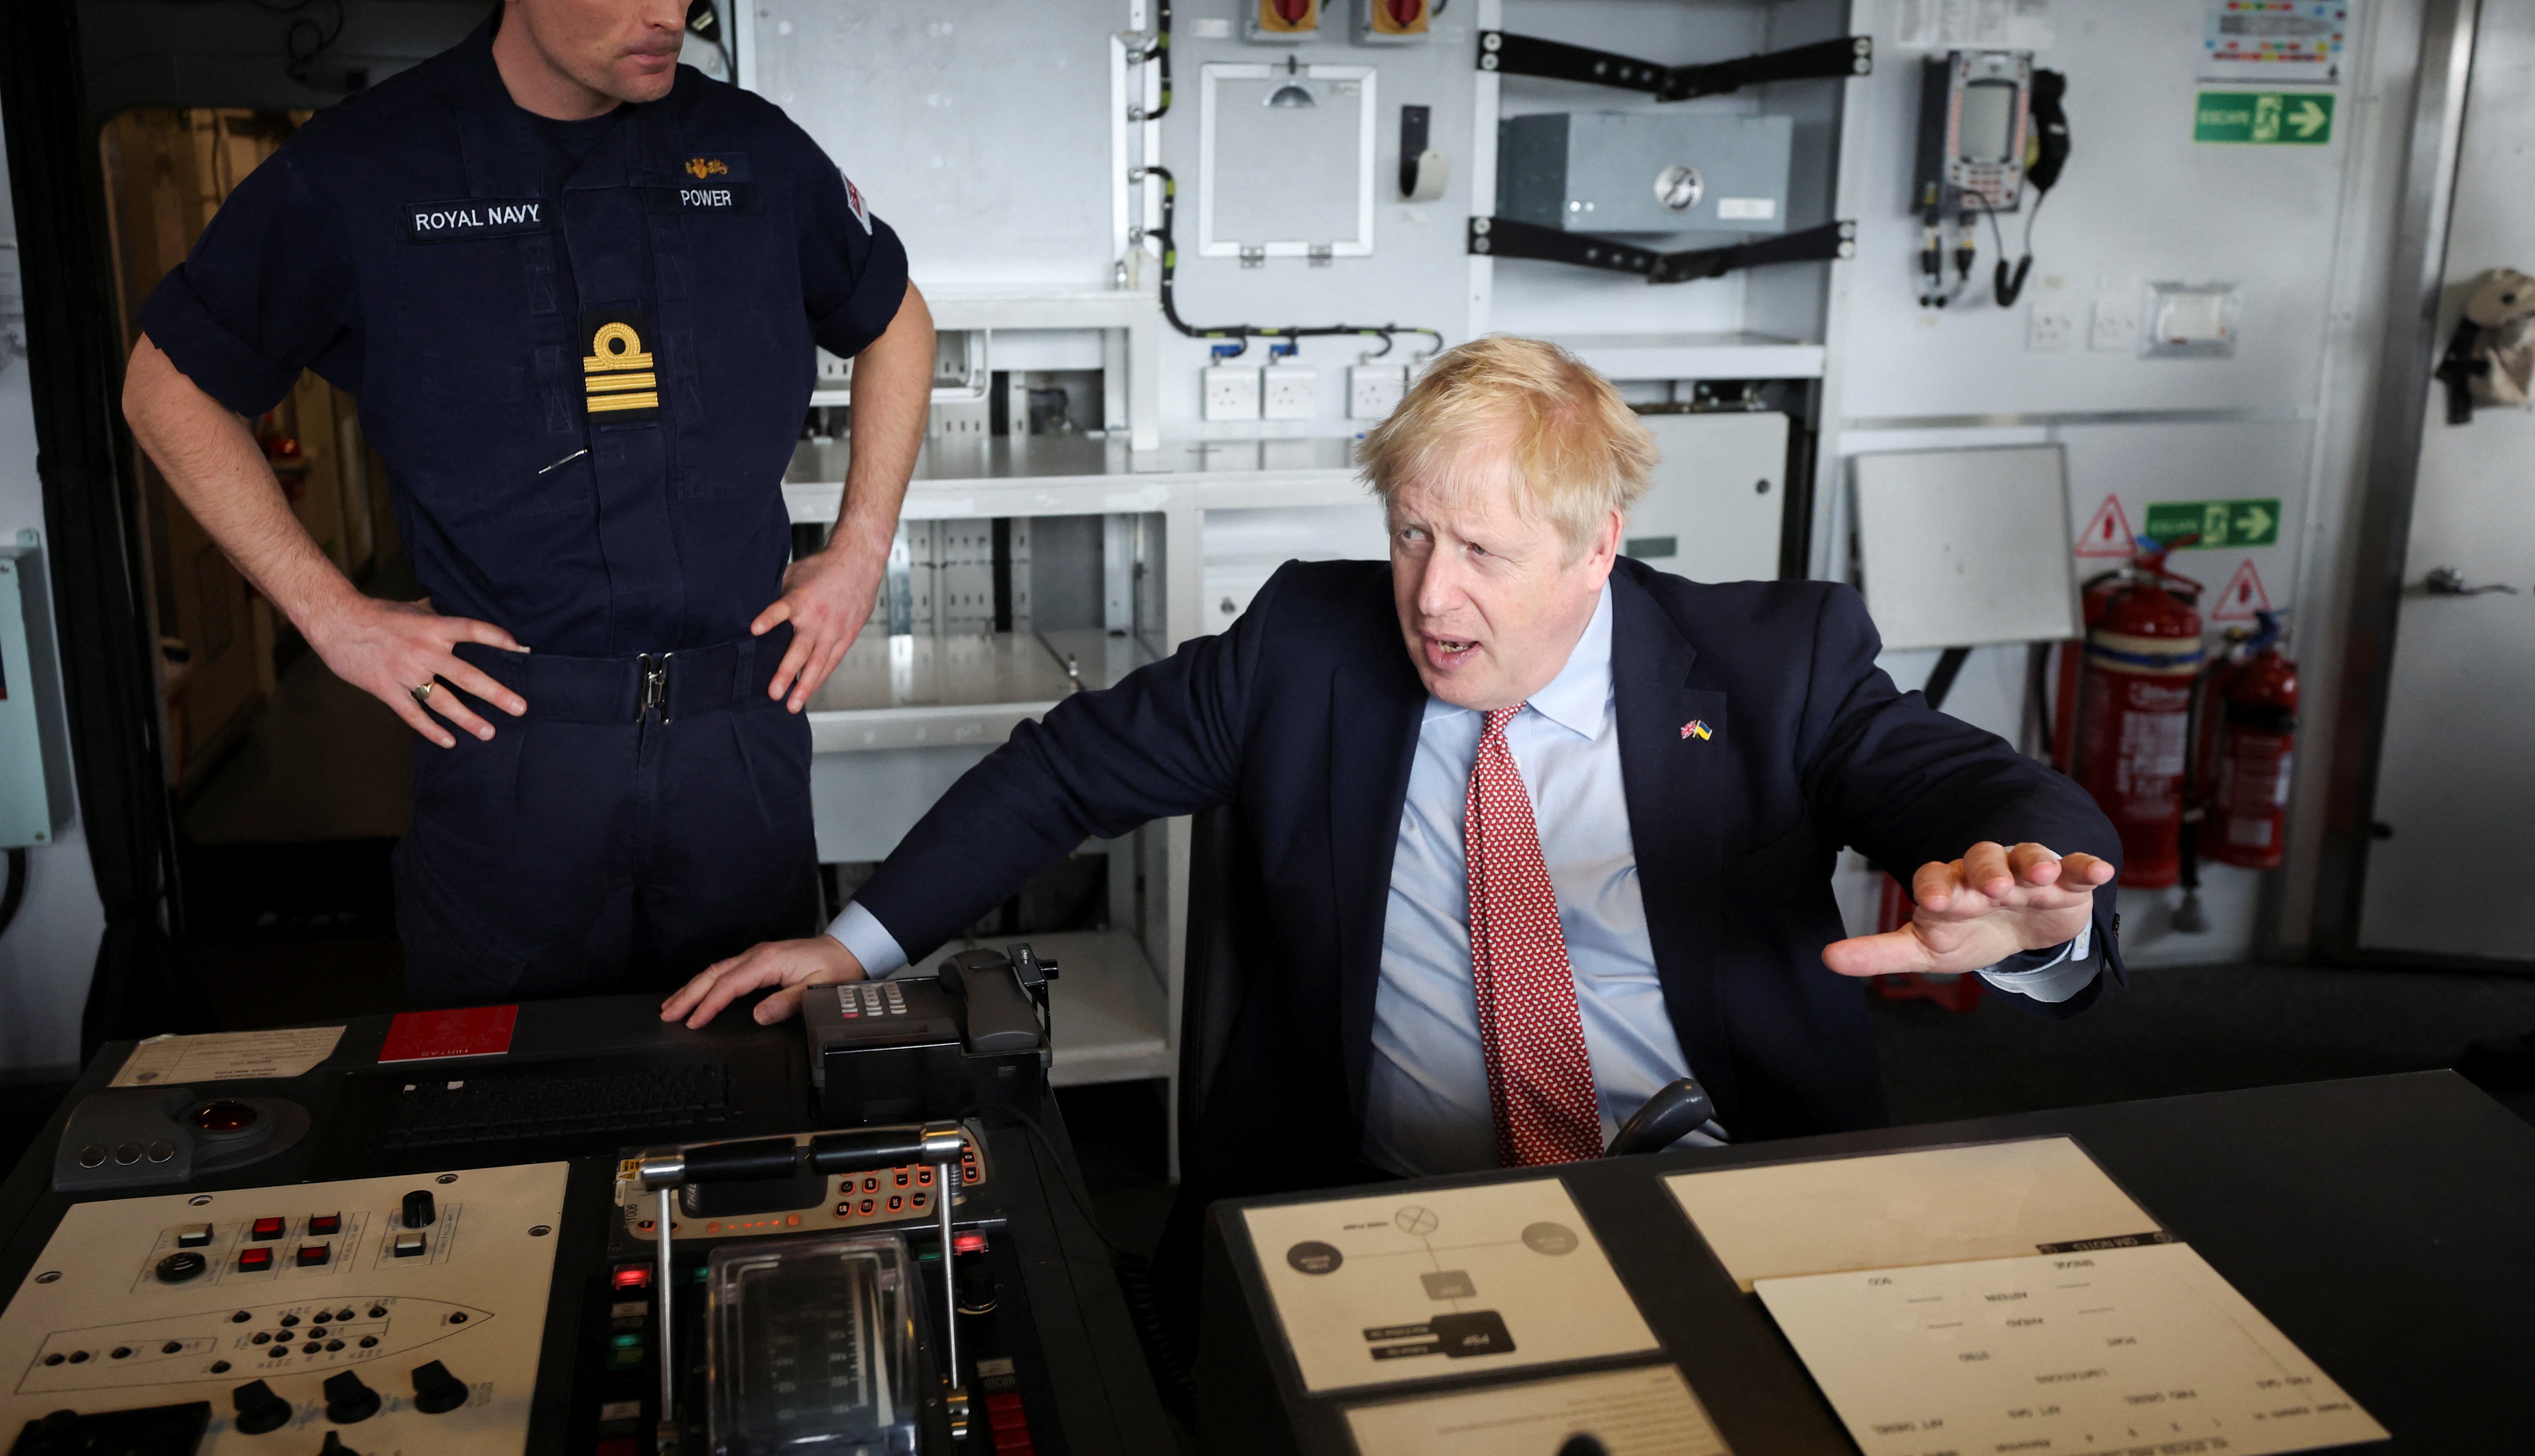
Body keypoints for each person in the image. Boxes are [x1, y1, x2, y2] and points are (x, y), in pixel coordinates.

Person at [664, 336, 2120, 1181]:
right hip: (1386, 1205)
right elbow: (1065, 772)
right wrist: (856, 942)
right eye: (1412, 533)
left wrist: (2035, 892)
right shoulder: (1308, 643)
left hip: (1715, 1187)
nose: (1431, 595)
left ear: (1597, 547)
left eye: (1483, 550)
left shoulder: (1766, 664)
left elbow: (1964, 788)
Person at [122, 0, 934, 1006]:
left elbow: (895, 318)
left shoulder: (750, 153)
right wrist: (331, 615)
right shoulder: (364, 177)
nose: (667, 5)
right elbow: (167, 383)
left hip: (740, 728)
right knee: (507, 1110)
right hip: (512, 748)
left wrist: (859, 548)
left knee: (756, 1085)